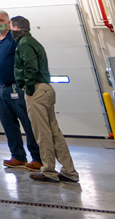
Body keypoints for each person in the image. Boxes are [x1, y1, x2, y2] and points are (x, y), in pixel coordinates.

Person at [12, 15, 79, 183]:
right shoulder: (33, 42)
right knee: (54, 133)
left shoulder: (24, 44)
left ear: (17, 29)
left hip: (37, 91)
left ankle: (48, 170)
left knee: (42, 133)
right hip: (45, 90)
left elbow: (30, 66)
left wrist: (28, 88)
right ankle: (69, 172)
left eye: (11, 27)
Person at [0, 10, 41, 170]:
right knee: (8, 123)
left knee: (27, 122)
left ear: (9, 23)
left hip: (16, 88)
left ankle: (37, 157)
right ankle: (18, 156)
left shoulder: (15, 39)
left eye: (1, 20)